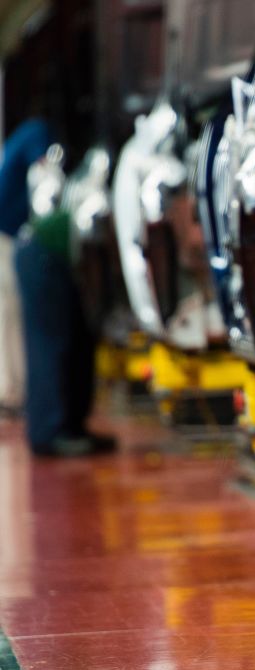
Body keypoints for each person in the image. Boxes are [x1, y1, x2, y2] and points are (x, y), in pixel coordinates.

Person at [11, 130, 116, 457]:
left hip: (53, 256)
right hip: (42, 255)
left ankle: (71, 425)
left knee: (75, 341)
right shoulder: (98, 200)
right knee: (50, 343)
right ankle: (48, 431)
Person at [0, 120, 50, 415]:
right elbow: (44, 170)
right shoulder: (38, 132)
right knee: (10, 314)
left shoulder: (23, 133)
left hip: (6, 231)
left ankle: (13, 391)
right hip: (3, 233)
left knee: (8, 314)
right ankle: (11, 393)